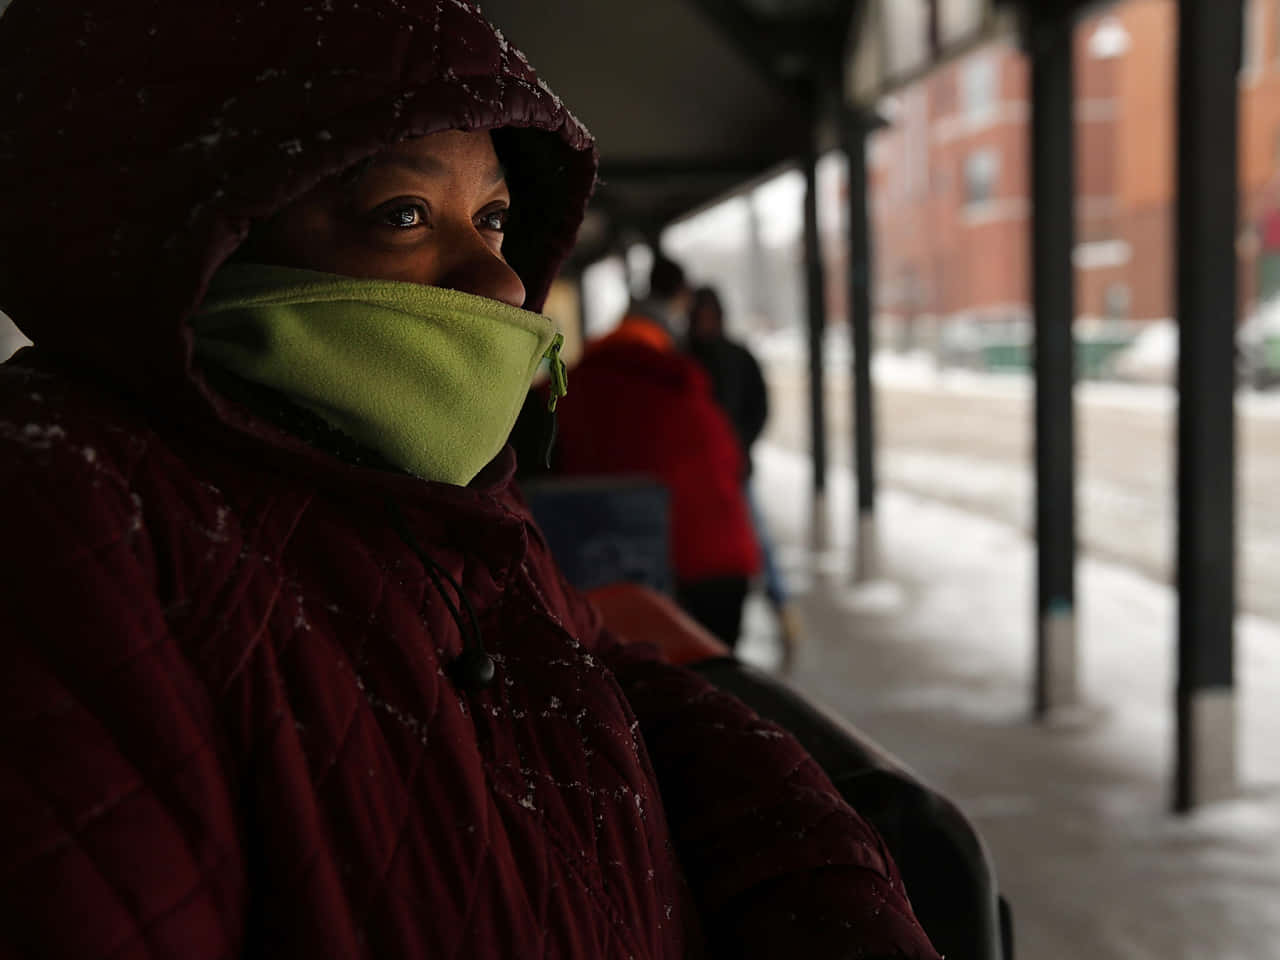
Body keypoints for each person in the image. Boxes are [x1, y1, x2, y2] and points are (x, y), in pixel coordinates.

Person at [0, 2, 940, 958]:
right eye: (404, 215)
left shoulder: (451, 497)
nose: (503, 285)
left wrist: (838, 887)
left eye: (492, 219)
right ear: (197, 237)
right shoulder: (68, 520)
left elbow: (609, 682)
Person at [552, 258, 762, 650]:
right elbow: (728, 456)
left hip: (641, 568)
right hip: (713, 560)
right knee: (711, 663)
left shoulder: (575, 397)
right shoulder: (683, 385)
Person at [685, 286, 800, 666]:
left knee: (756, 539)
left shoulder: (726, 356)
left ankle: (783, 608)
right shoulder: (686, 356)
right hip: (704, 474)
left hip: (734, 471)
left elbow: (759, 407)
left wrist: (738, 446)